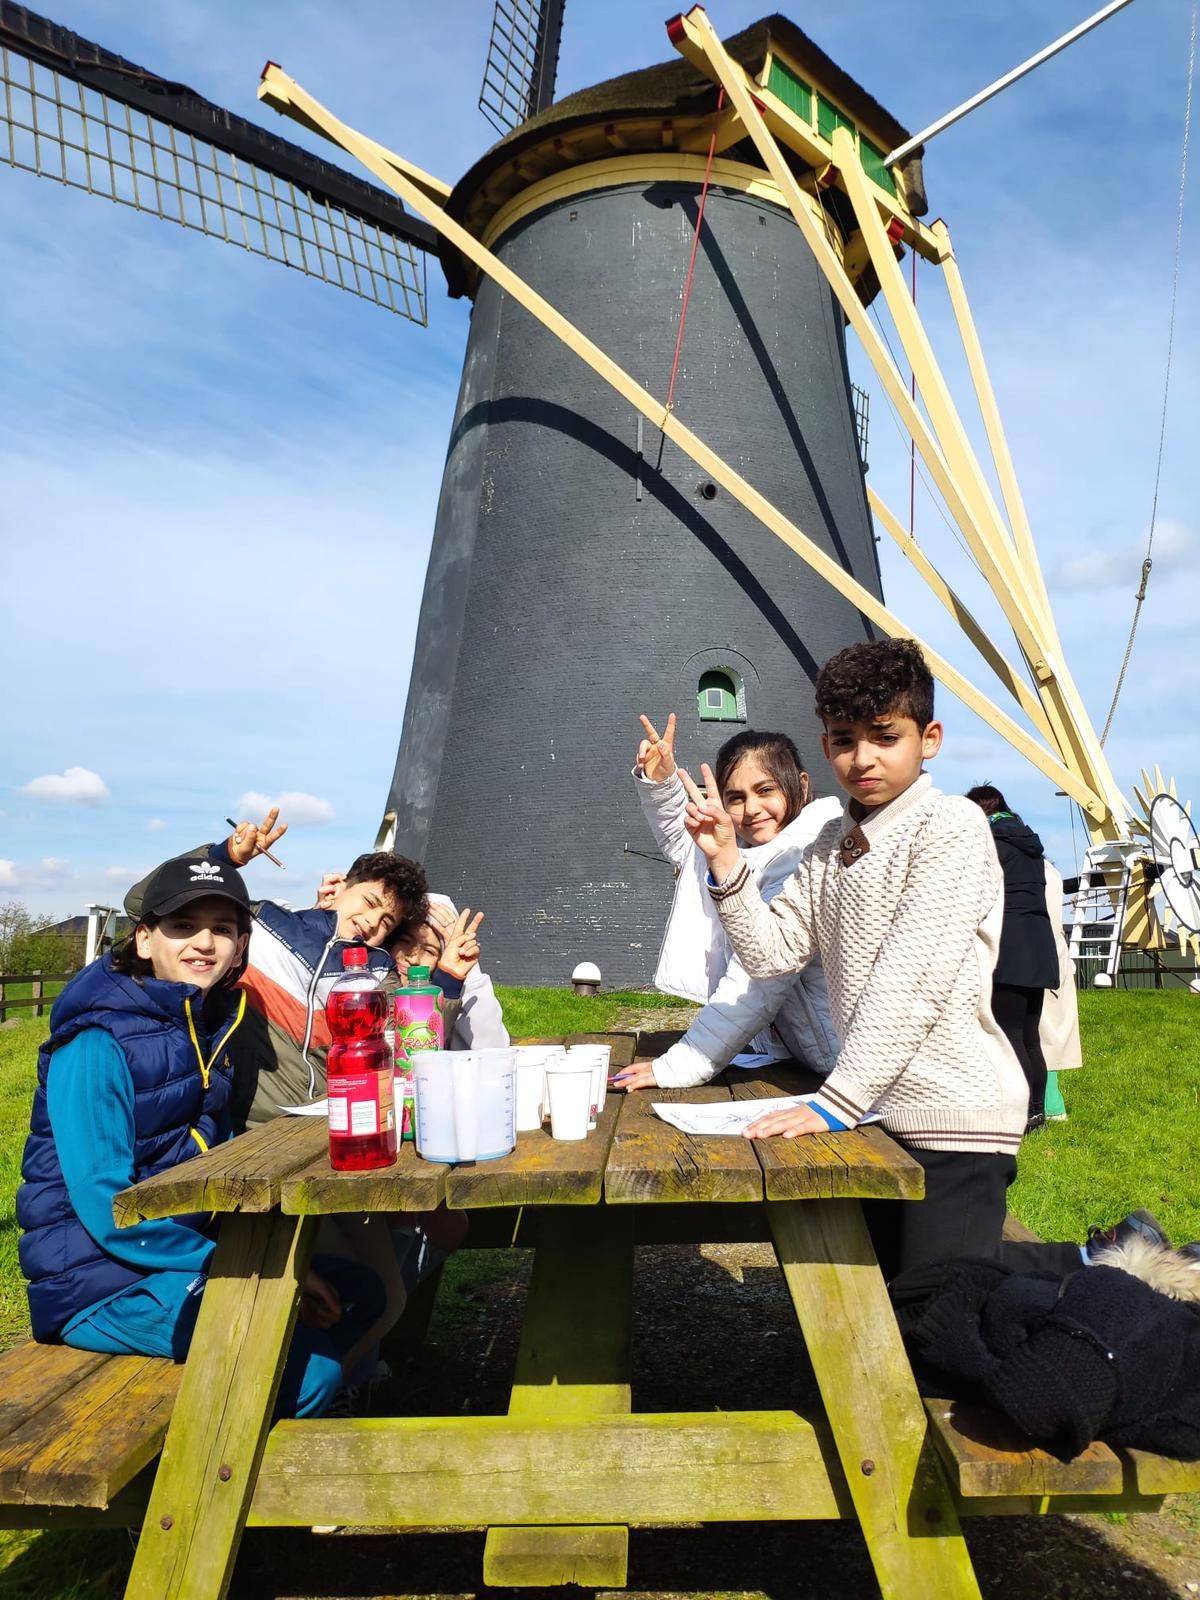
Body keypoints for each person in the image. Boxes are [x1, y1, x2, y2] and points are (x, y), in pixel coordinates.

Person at [678, 637, 1162, 1281]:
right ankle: (1108, 1259)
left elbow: (911, 984)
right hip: (880, 1113)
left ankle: (1133, 1321)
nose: (863, 757)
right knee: (898, 1290)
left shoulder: (951, 828)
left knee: (934, 1313)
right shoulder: (830, 843)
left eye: (885, 735)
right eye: (845, 739)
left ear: (928, 737)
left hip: (953, 1116)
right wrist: (725, 864)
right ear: (825, 747)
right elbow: (773, 955)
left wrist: (835, 1102)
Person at [17, 854, 383, 1418]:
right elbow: (105, 1204)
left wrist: (262, 1264)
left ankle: (251, 1423)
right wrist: (232, 1266)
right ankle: (224, 1487)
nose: (204, 942)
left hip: (175, 1257)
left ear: (241, 945)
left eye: (223, 929)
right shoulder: (95, 1044)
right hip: (99, 1281)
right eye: (183, 926)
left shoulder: (211, 1023)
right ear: (144, 939)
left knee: (359, 1291)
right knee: (306, 1370)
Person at [125, 811, 429, 1127]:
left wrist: (448, 981)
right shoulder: (261, 922)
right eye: (368, 902)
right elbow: (139, 902)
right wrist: (222, 857)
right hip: (246, 1125)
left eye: (386, 922)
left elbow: (410, 1044)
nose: (371, 921)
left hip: (337, 1120)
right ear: (337, 886)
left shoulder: (378, 972)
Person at [614, 714, 841, 1092]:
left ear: (801, 785)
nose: (751, 809)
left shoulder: (804, 856)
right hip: (805, 1056)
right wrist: (661, 783)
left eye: (765, 790)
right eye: (735, 797)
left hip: (841, 1061)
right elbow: (691, 847)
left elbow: (759, 975)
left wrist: (682, 1064)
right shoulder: (759, 849)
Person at [965, 784, 1060, 1131]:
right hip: (1039, 947)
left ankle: (1019, 1114)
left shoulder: (992, 843)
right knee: (1030, 1036)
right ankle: (1036, 1111)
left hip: (1010, 948)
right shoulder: (1028, 844)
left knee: (1010, 1035)